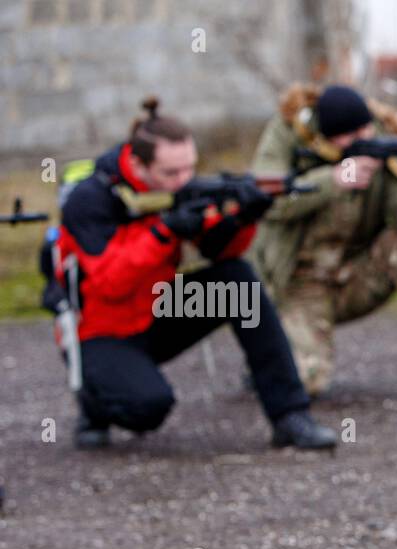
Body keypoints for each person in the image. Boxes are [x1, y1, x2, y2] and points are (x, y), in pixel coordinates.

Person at [56, 98, 336, 450]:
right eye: (171, 173)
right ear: (138, 165)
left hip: (157, 310)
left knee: (238, 281)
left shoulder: (178, 189)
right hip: (101, 329)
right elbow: (110, 282)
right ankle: (94, 403)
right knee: (148, 408)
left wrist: (242, 218)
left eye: (190, 169)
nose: (184, 181)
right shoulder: (89, 199)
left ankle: (290, 417)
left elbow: (220, 250)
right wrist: (164, 232)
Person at [250, 83, 397, 399]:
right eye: (352, 136)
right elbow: (266, 200)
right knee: (304, 385)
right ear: (325, 137)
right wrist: (333, 180)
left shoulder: (384, 146)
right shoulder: (288, 135)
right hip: (299, 284)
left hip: (356, 277)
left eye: (366, 129)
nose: (364, 138)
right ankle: (270, 354)